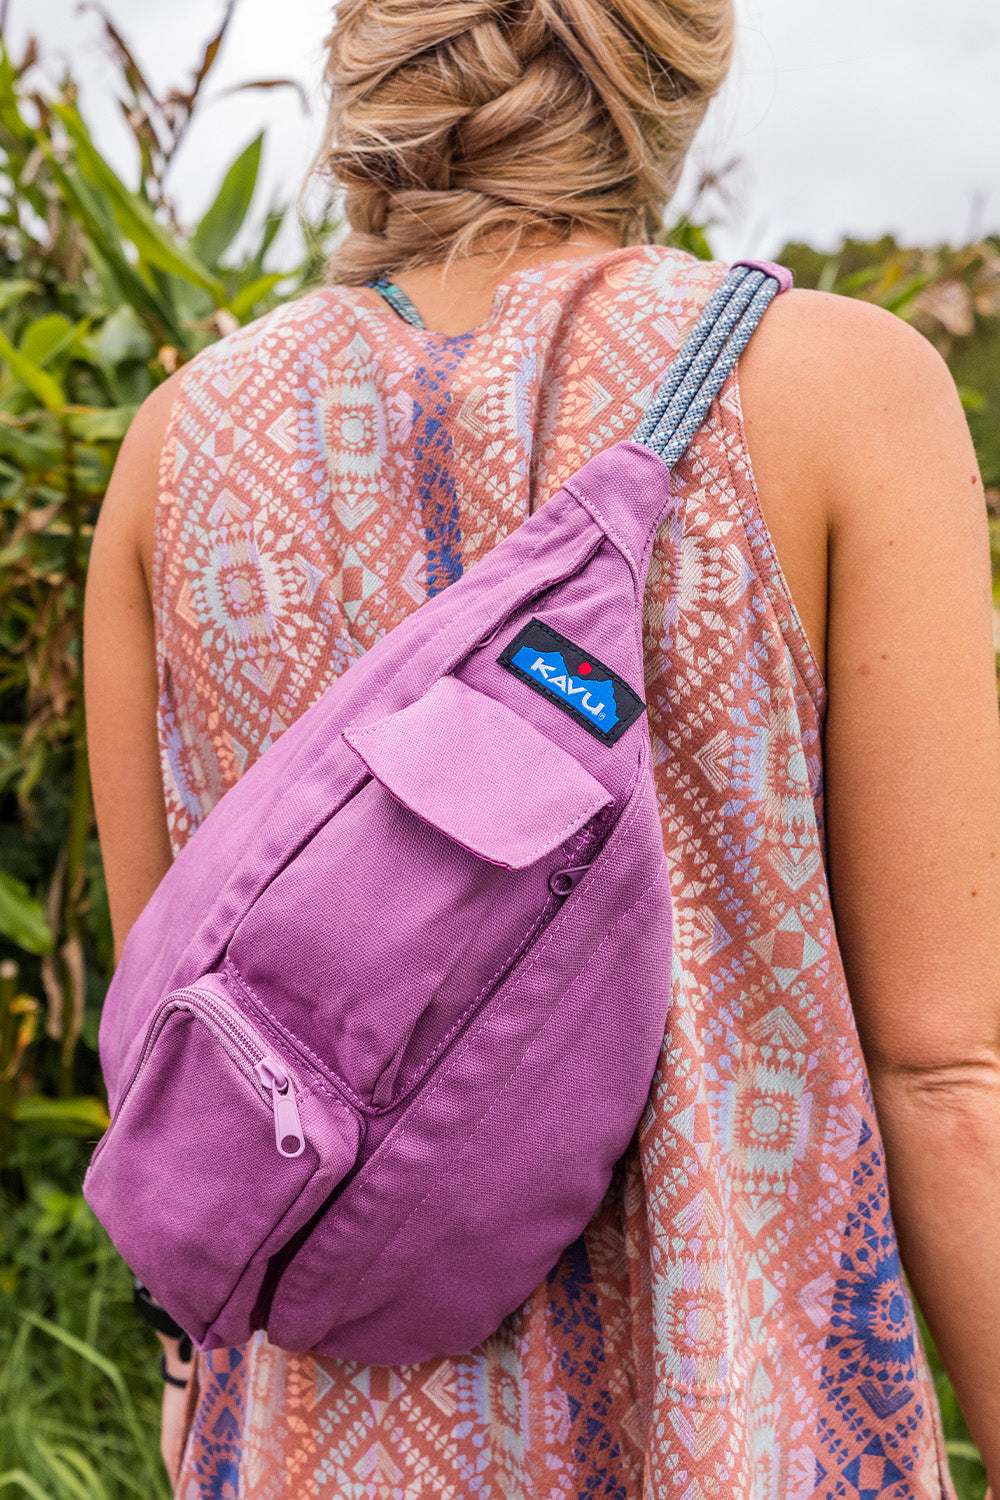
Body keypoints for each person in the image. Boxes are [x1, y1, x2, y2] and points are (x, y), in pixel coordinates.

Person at [83, 0, 1000, 1495]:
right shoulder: (845, 390)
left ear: (371, 56)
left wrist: (191, 1375)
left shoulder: (175, 450)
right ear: (674, 64)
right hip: (730, 1423)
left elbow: (181, 1072)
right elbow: (947, 1073)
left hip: (320, 1437)